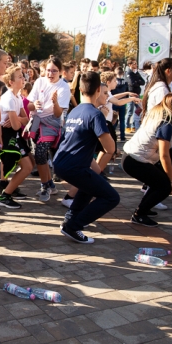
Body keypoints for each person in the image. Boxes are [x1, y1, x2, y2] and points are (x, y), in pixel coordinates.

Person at [53, 72, 119, 244]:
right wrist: (104, 121)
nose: (105, 95)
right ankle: (74, 226)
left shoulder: (75, 111)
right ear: (98, 89)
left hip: (62, 162)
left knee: (89, 186)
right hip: (74, 166)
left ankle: (70, 220)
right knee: (112, 197)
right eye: (104, 92)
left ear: (80, 90)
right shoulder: (95, 114)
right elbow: (110, 148)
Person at [122, 92, 172, 227]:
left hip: (133, 157)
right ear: (168, 105)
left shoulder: (161, 116)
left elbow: (168, 154)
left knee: (159, 181)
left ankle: (145, 208)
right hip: (134, 161)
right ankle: (139, 215)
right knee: (165, 185)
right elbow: (164, 155)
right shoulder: (165, 124)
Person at [27, 57, 70, 200]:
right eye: (48, 70)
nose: (50, 74)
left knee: (40, 152)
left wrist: (55, 102)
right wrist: (35, 104)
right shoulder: (39, 81)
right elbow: (28, 105)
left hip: (51, 123)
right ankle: (49, 183)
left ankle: (45, 186)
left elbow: (58, 113)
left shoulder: (63, 87)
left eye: (54, 71)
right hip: (36, 121)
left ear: (61, 72)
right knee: (38, 155)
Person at [0, 65, 31, 208]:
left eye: (23, 76)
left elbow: (25, 119)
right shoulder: (8, 98)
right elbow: (16, 125)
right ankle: (5, 195)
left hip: (15, 135)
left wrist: (17, 118)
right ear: (11, 82)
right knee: (27, 166)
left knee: (29, 164)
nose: (23, 79)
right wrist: (18, 120)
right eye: (20, 77)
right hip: (7, 136)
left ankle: (10, 189)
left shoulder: (18, 97)